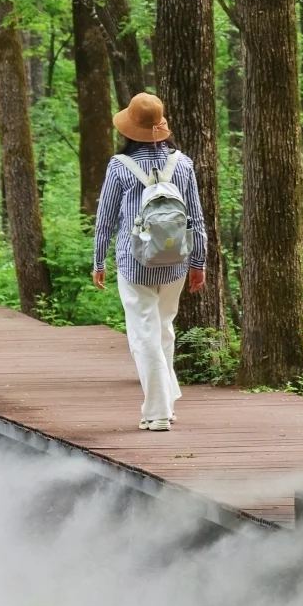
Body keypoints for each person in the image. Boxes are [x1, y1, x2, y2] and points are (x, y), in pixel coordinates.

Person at [92, 92, 206, 433]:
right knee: (163, 328)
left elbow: (106, 219)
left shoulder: (119, 166)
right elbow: (196, 220)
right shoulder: (182, 164)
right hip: (176, 263)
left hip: (135, 263)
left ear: (129, 129)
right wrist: (199, 262)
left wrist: (98, 260)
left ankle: (156, 412)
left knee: (144, 334)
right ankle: (167, 403)